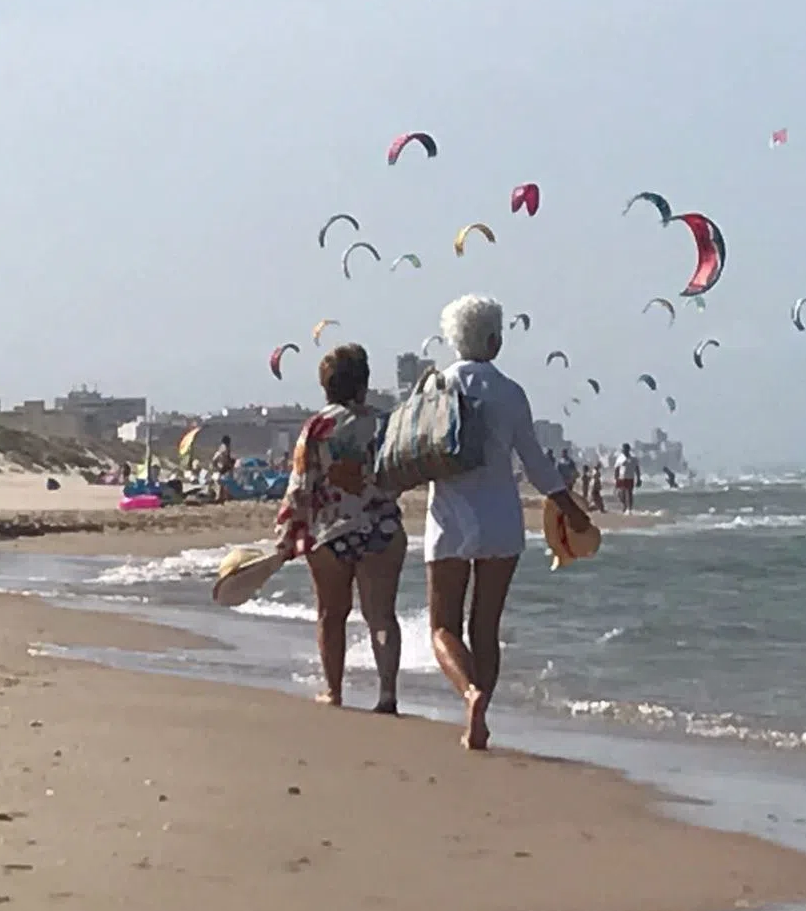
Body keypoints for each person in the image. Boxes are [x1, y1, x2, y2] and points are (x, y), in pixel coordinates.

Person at [425, 296, 592, 749]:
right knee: (485, 627)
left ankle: (469, 693)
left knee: (443, 625)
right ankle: (478, 716)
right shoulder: (511, 392)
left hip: (449, 519)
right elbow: (536, 464)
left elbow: (412, 453)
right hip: (500, 517)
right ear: (495, 340)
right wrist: (571, 509)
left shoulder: (435, 385)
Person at [274, 344, 406, 714]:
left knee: (332, 615)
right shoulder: (386, 423)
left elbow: (300, 486)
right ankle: (387, 695)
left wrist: (286, 533)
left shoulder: (317, 427)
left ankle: (334, 691)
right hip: (381, 526)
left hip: (331, 532)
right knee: (381, 615)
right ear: (363, 383)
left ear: (326, 386)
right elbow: (400, 475)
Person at [614, 443, 641, 513]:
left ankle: (629, 509)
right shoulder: (620, 458)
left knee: (629, 493)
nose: (624, 451)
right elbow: (616, 468)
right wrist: (616, 478)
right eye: (623, 449)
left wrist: (638, 479)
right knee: (620, 494)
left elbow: (637, 469)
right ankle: (624, 504)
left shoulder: (634, 459)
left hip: (630, 478)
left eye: (626, 449)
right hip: (621, 478)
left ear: (628, 450)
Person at [211, 435, 235, 503]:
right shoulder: (224, 448)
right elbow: (217, 457)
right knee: (221, 481)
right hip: (222, 467)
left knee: (223, 482)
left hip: (224, 466)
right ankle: (220, 496)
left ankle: (223, 496)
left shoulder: (224, 448)